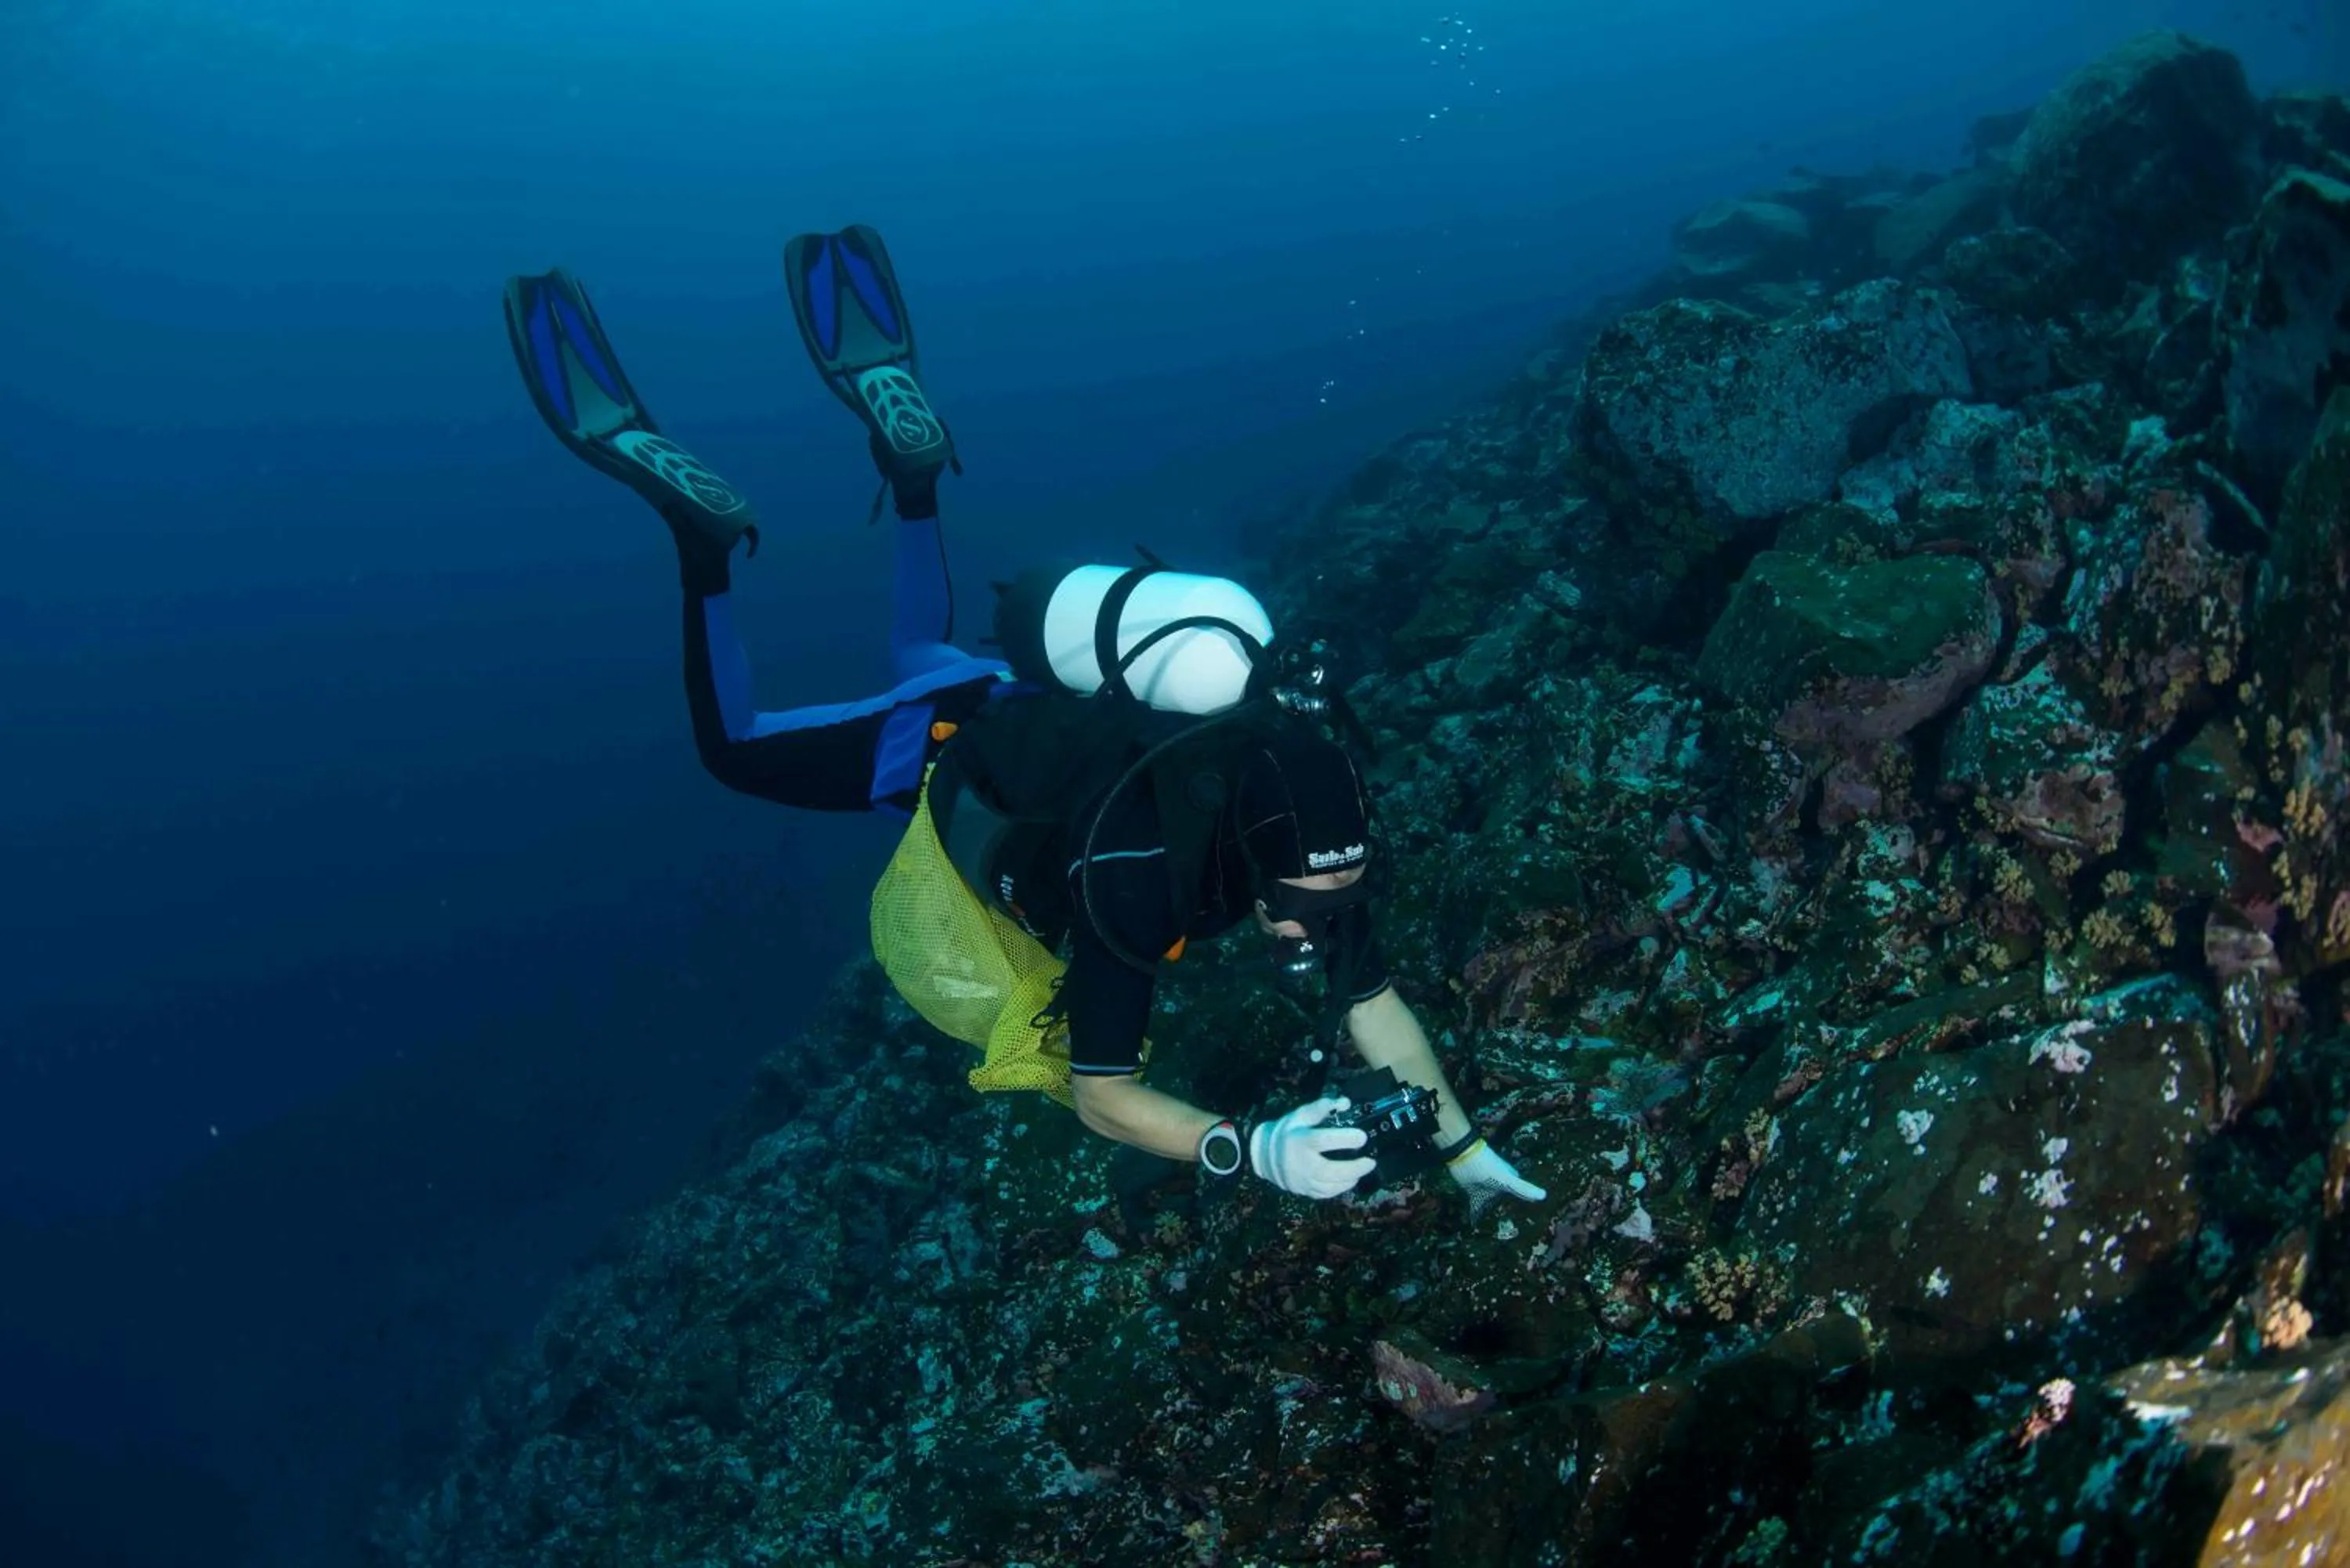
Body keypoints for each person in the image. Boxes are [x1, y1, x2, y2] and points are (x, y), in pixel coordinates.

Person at [502, 226, 1543, 1212]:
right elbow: (1101, 1093)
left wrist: (1465, 1150)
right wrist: (1253, 1147)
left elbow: (1376, 1001)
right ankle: (703, 546)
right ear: (1248, 858)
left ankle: (912, 477)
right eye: (1309, 913)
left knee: (921, 653)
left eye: (1329, 911)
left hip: (1026, 697)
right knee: (733, 748)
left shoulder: (1297, 800)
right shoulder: (1142, 876)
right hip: (946, 751)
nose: (1316, 933)